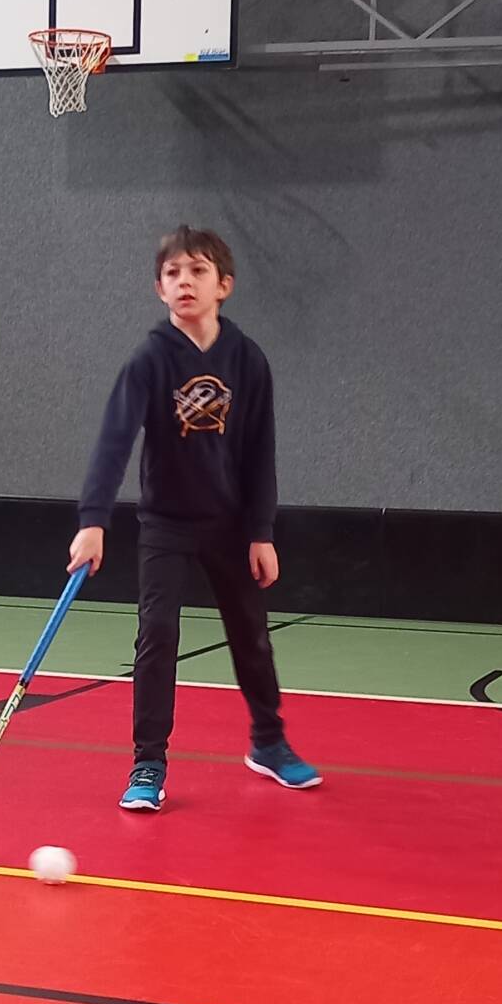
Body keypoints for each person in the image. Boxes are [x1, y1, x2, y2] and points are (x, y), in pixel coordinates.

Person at [67, 225, 320, 811]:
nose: (185, 281)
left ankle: (269, 742)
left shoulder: (247, 360)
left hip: (229, 526)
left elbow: (260, 452)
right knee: (157, 635)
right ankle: (148, 763)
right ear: (159, 288)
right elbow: (114, 441)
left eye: (198, 271)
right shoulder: (150, 360)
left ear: (223, 285)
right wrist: (93, 520)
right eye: (173, 273)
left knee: (251, 636)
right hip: (166, 525)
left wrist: (261, 532)